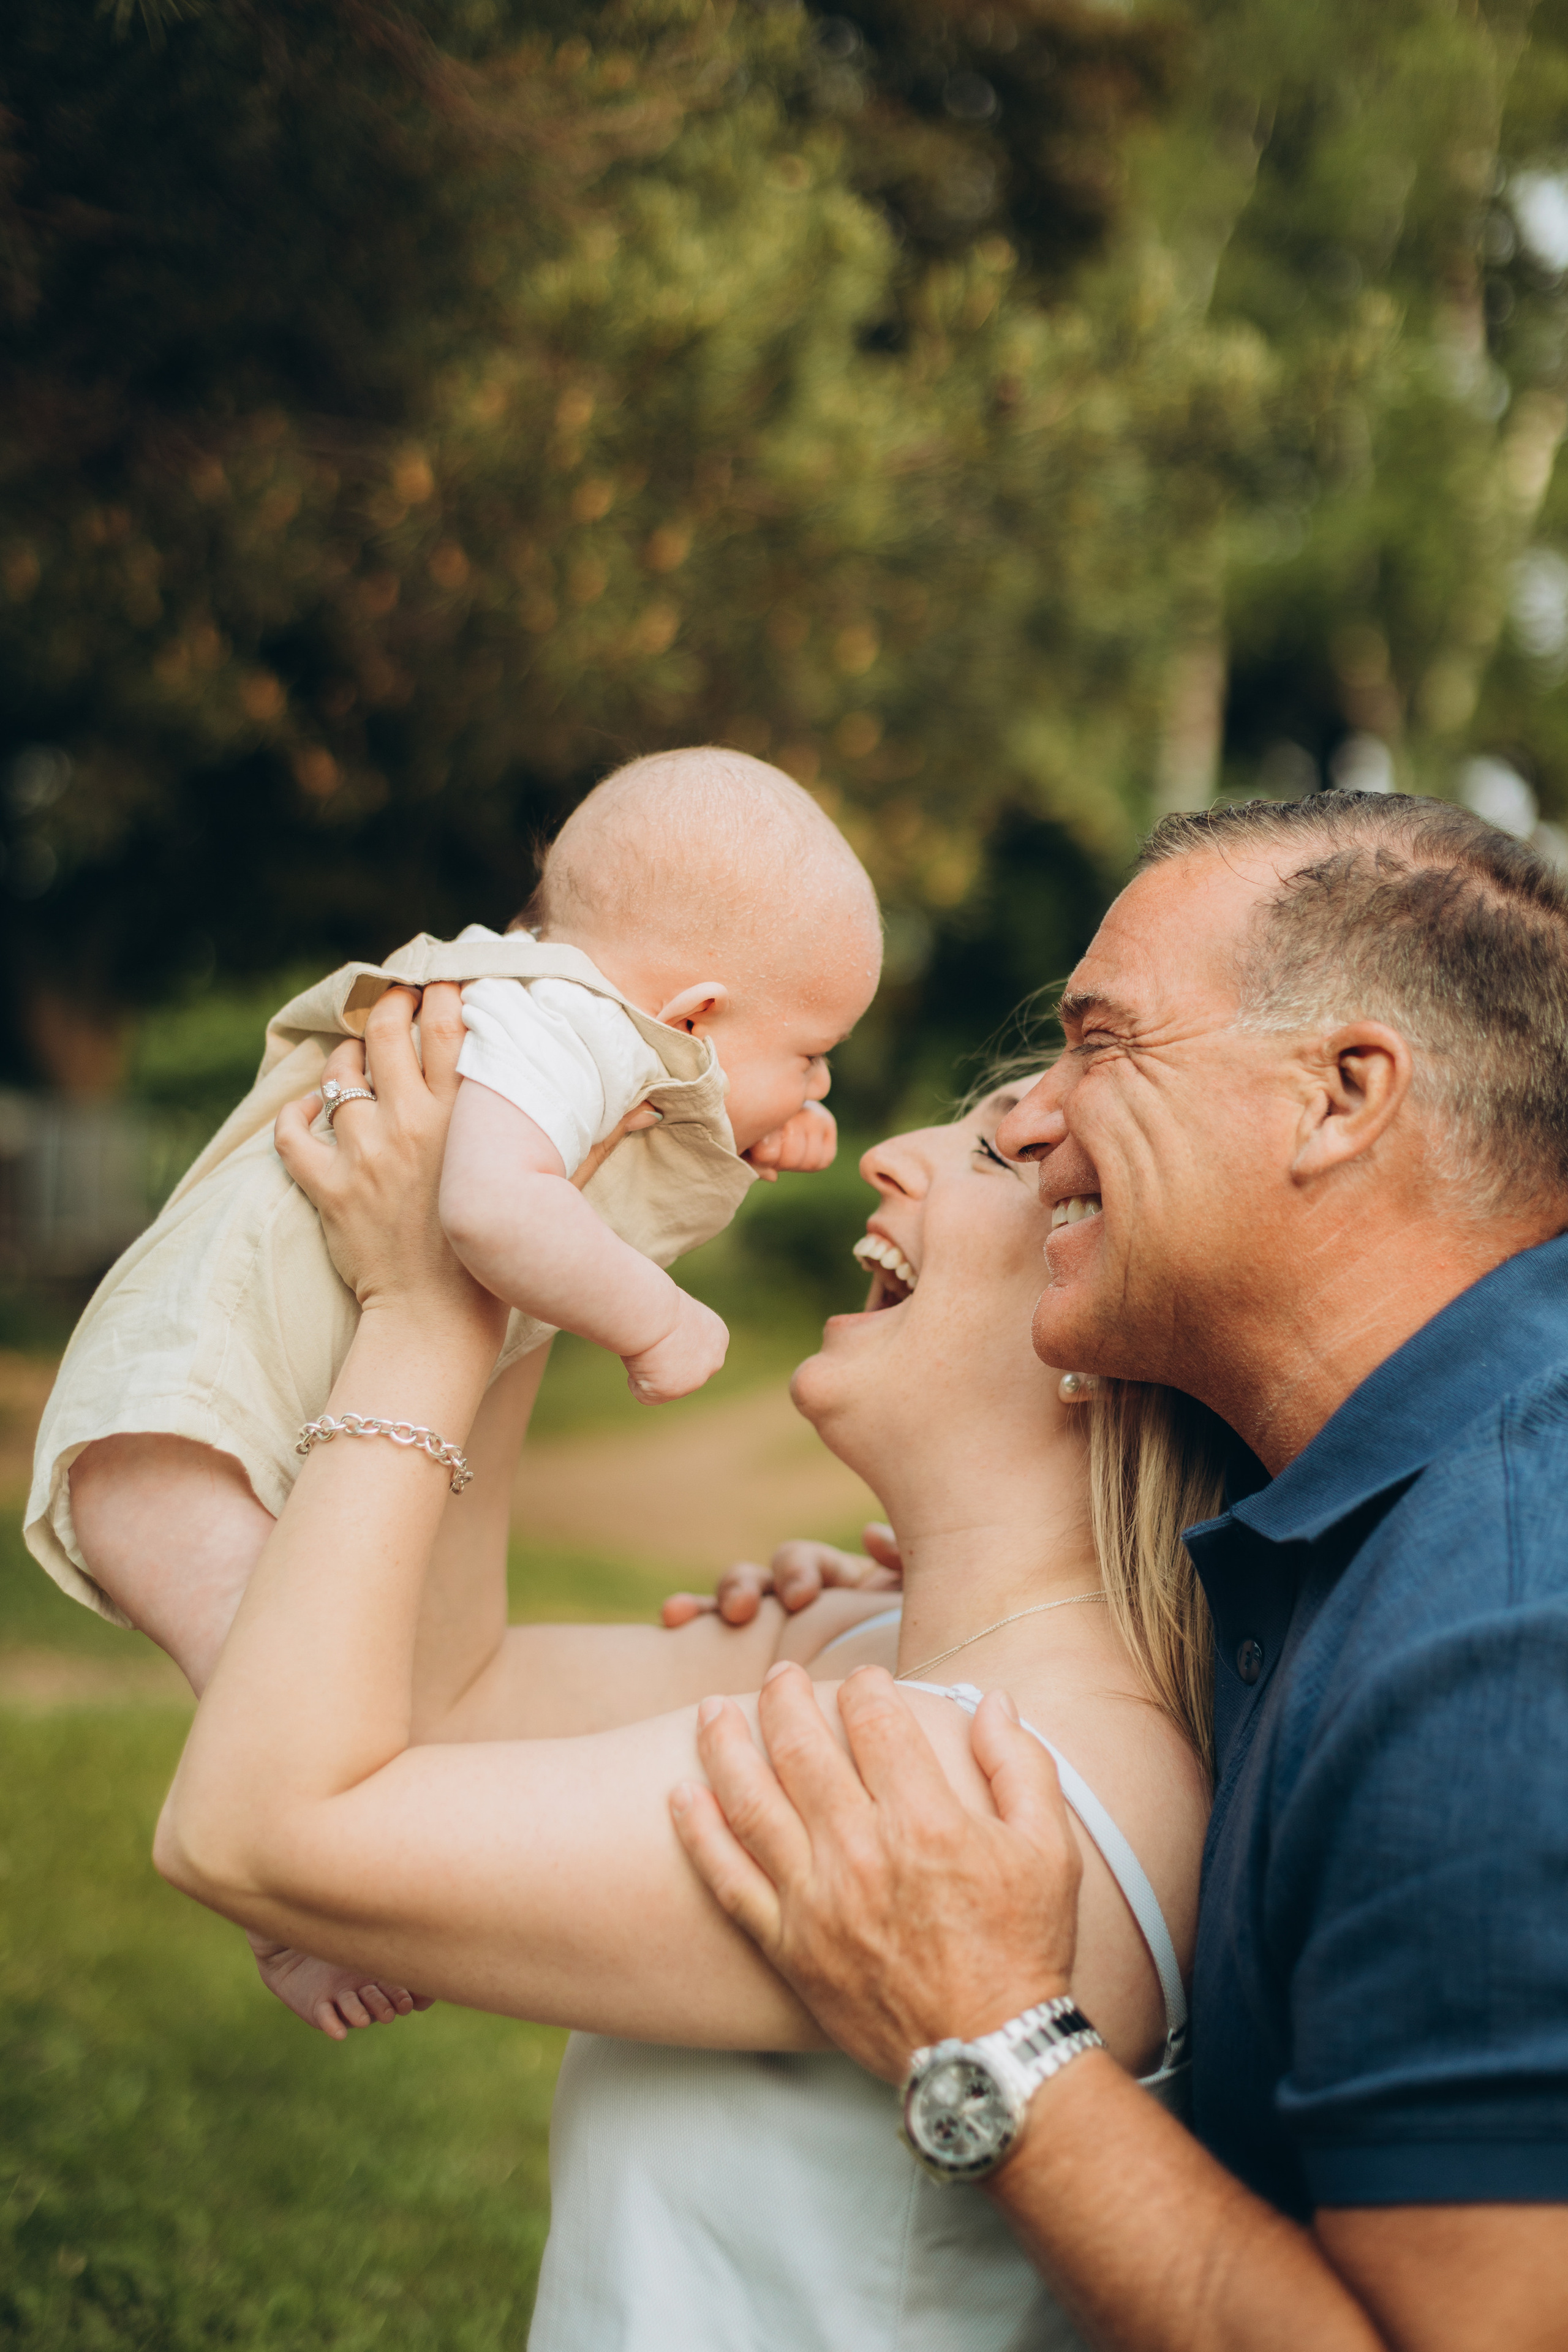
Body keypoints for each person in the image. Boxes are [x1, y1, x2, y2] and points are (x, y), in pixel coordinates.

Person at [153, 983, 1226, 2350]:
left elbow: (253, 1831)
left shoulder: (981, 1799)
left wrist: (417, 1313)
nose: (888, 1152)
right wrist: (520, 1242)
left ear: (1107, 1321)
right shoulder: (862, 1656)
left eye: (1000, 1155)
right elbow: (441, 1707)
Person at [673, 790, 1568, 2351]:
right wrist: (940, 1591)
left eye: (1101, 1042)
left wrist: (986, 2031)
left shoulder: (1494, 1645)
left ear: (1339, 1097)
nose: (1025, 1118)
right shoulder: (1406, 1507)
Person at [25, 746, 878, 2035]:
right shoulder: (559, 1026)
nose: (820, 1089)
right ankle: (298, 1896)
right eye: (811, 1054)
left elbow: (571, 1174)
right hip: (178, 1410)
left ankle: (303, 1868)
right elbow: (487, 1208)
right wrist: (656, 1317)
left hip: (220, 1400)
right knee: (296, 1688)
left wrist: (745, 1121)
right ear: (693, 1015)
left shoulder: (574, 1034)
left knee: (316, 1667)